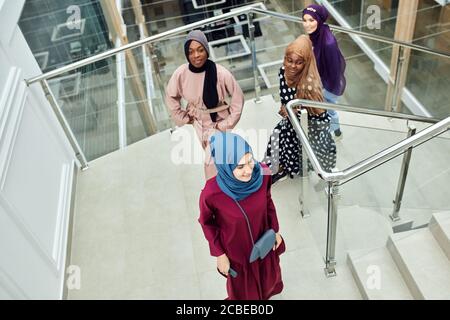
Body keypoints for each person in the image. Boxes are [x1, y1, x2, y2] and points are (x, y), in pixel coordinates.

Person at [198, 132, 285, 300]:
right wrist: (220, 254)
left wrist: (275, 230)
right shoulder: (211, 193)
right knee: (244, 293)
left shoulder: (263, 172)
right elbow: (206, 223)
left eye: (250, 161)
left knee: (267, 282)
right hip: (237, 252)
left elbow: (268, 201)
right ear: (225, 166)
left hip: (264, 242)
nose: (248, 171)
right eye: (240, 167)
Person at [166, 30, 244, 179]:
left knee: (212, 161)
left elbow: (238, 98)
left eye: (200, 50)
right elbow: (171, 96)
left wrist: (227, 124)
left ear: (207, 50)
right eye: (191, 52)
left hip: (218, 122)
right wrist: (183, 117)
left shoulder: (221, 73)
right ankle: (232, 183)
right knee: (220, 158)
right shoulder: (181, 74)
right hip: (198, 122)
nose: (196, 55)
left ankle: (215, 191)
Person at [262, 35, 336, 184]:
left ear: (306, 62)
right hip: (291, 122)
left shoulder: (309, 86)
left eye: (299, 62)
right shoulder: (283, 72)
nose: (292, 66)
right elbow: (285, 98)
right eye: (289, 60)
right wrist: (285, 108)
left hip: (308, 129)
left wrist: (296, 112)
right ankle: (277, 169)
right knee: (277, 137)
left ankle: (305, 173)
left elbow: (320, 117)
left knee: (302, 151)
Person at [302, 4, 346, 138]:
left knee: (327, 110)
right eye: (304, 20)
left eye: (311, 20)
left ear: (319, 20)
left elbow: (335, 71)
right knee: (328, 110)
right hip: (320, 82)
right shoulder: (316, 35)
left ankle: (331, 132)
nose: (307, 24)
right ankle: (336, 131)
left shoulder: (328, 43)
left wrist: (322, 89)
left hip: (328, 86)